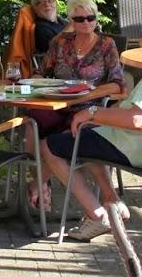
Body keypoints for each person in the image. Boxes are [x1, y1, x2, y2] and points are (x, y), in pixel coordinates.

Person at [26, 0, 126, 212]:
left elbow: (118, 85)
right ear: (71, 21)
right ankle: (42, 183)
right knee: (32, 117)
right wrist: (35, 84)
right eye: (80, 19)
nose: (86, 23)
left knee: (73, 133)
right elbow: (41, 73)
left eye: (91, 18)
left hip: (90, 110)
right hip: (60, 105)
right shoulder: (61, 43)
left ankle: (39, 184)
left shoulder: (106, 44)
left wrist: (86, 95)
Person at [41, 78, 141, 242]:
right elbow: (127, 108)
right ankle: (112, 201)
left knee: (49, 147)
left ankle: (97, 215)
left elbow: (136, 119)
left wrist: (93, 112)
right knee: (80, 136)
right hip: (126, 142)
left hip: (128, 146)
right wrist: (98, 117)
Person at [3, 0, 67, 78]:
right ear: (35, 9)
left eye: (50, 1)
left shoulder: (64, 23)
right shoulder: (38, 28)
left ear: (55, 4)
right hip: (57, 72)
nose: (47, 5)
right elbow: (55, 47)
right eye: (41, 2)